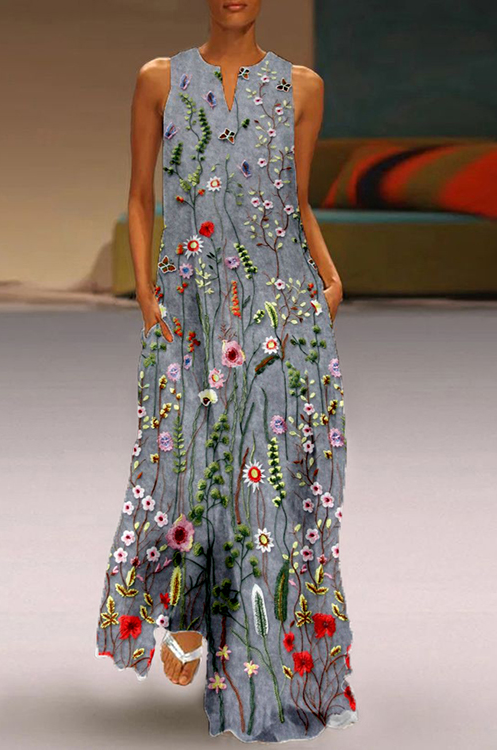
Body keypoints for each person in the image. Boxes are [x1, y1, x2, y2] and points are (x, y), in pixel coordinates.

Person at [96, 0, 358, 742]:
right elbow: (140, 196)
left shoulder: (301, 88)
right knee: (181, 465)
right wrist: (147, 297)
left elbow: (295, 202)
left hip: (278, 311)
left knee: (267, 484)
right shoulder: (161, 80)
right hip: (189, 313)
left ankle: (258, 673)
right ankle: (184, 611)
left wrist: (331, 277)